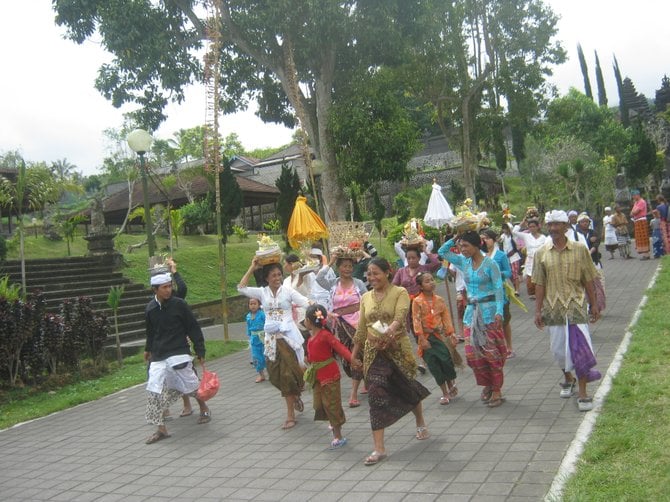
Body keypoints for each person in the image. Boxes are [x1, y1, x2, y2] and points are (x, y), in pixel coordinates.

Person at [351, 257, 430, 466]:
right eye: (369, 273)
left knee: (408, 388)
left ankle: (420, 422)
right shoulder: (365, 297)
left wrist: (389, 333)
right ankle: (379, 448)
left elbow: (400, 316)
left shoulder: (399, 293)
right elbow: (361, 328)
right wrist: (353, 354)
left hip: (396, 349)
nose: (372, 277)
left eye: (376, 272)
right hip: (373, 353)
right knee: (375, 394)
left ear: (387, 272)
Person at [532, 210, 601, 412]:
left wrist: (594, 303)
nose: (553, 228)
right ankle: (567, 377)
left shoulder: (580, 249)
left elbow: (588, 278)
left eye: (557, 225)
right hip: (553, 308)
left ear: (566, 226)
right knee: (559, 350)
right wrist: (537, 311)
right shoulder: (541, 253)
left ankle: (583, 393)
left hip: (576, 306)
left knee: (579, 349)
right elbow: (539, 284)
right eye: (550, 225)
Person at [238, 257, 311, 430]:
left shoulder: (288, 292)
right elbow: (241, 288)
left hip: (288, 339)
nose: (277, 278)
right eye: (273, 276)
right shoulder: (262, 293)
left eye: (279, 274)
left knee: (289, 374)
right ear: (266, 278)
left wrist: (320, 311)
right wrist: (251, 267)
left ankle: (290, 415)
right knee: (275, 375)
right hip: (271, 340)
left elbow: (305, 302)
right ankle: (294, 396)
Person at [438, 231, 506, 408]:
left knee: (491, 353)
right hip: (471, 313)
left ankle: (496, 388)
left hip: (489, 312)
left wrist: (500, 311)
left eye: (466, 245)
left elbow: (499, 288)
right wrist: (455, 238)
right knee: (471, 354)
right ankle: (487, 384)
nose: (462, 249)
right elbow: (442, 252)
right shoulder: (463, 262)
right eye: (460, 246)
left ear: (477, 245)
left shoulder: (490, 264)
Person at [143, 271, 211, 444]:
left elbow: (193, 327)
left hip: (179, 351)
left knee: (191, 385)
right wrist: (148, 349)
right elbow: (150, 333)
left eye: (169, 286)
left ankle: (204, 408)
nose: (168, 290)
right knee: (154, 389)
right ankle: (161, 429)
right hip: (158, 355)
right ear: (155, 290)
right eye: (164, 287)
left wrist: (200, 349)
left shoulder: (179, 305)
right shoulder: (150, 308)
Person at [315, 251, 368, 407]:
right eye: (344, 266)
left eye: (350, 266)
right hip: (340, 325)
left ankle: (353, 395)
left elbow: (366, 300)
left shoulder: (358, 283)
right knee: (346, 358)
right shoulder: (333, 283)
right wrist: (330, 261)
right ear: (338, 268)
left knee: (355, 354)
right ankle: (363, 377)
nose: (348, 269)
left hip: (357, 323)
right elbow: (319, 278)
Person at [304, 304, 360, 450]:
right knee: (319, 404)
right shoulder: (311, 338)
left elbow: (340, 348)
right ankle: (333, 420)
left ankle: (338, 435)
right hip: (317, 376)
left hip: (329, 375)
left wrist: (352, 360)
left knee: (331, 405)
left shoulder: (325, 335)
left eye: (305, 319)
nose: (304, 322)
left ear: (310, 321)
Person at [392, 245, 441, 374]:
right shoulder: (401, 271)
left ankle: (427, 359)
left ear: (419, 258)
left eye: (414, 258)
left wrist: (425, 250)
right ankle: (424, 358)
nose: (411, 260)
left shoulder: (424, 269)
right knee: (415, 333)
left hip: (422, 305)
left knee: (426, 331)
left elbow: (436, 263)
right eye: (408, 258)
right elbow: (393, 286)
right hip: (408, 307)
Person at [411, 272, 459, 405]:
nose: (431, 282)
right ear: (420, 286)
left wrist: (451, 333)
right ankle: (445, 393)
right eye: (427, 281)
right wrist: (421, 338)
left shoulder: (439, 300)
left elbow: (446, 317)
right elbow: (416, 320)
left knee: (446, 360)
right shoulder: (417, 301)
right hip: (426, 338)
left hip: (440, 336)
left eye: (432, 280)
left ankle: (451, 383)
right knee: (434, 364)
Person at [481, 228, 515, 358]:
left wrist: (497, 274)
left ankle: (509, 346)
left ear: (494, 240)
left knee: (504, 320)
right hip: (485, 294)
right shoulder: (480, 256)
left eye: (487, 238)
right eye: (482, 239)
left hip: (499, 291)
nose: (484, 241)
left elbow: (508, 272)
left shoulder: (501, 255)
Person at [512, 218, 547, 300]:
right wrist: (522, 222)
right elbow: (514, 232)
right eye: (530, 227)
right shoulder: (526, 236)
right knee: (530, 282)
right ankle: (534, 294)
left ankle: (541, 294)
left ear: (538, 227)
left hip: (541, 261)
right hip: (530, 261)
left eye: (533, 226)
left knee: (541, 280)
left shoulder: (544, 238)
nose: (531, 228)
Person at [245, 298, 267, 383]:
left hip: (263, 337)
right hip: (254, 339)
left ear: (258, 305)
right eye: (251, 304)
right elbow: (248, 327)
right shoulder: (248, 316)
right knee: (256, 357)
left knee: (266, 355)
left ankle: (271, 373)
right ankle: (261, 375)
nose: (253, 306)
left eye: (255, 304)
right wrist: (249, 335)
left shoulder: (262, 315)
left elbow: (266, 324)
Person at [501, 222, 522, 294]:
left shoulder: (513, 235)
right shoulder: (503, 236)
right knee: (510, 274)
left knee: (515, 273)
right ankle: (515, 287)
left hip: (514, 257)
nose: (505, 230)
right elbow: (499, 240)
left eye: (506, 228)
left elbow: (519, 226)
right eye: (503, 228)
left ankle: (517, 290)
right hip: (507, 258)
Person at [630, 190, 650, 260]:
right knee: (639, 238)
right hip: (637, 221)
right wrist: (633, 212)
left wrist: (633, 212)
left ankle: (646, 255)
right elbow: (631, 213)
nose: (633, 197)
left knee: (643, 237)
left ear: (638, 195)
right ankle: (644, 254)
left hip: (641, 220)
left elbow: (635, 212)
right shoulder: (636, 202)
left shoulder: (642, 202)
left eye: (634, 195)